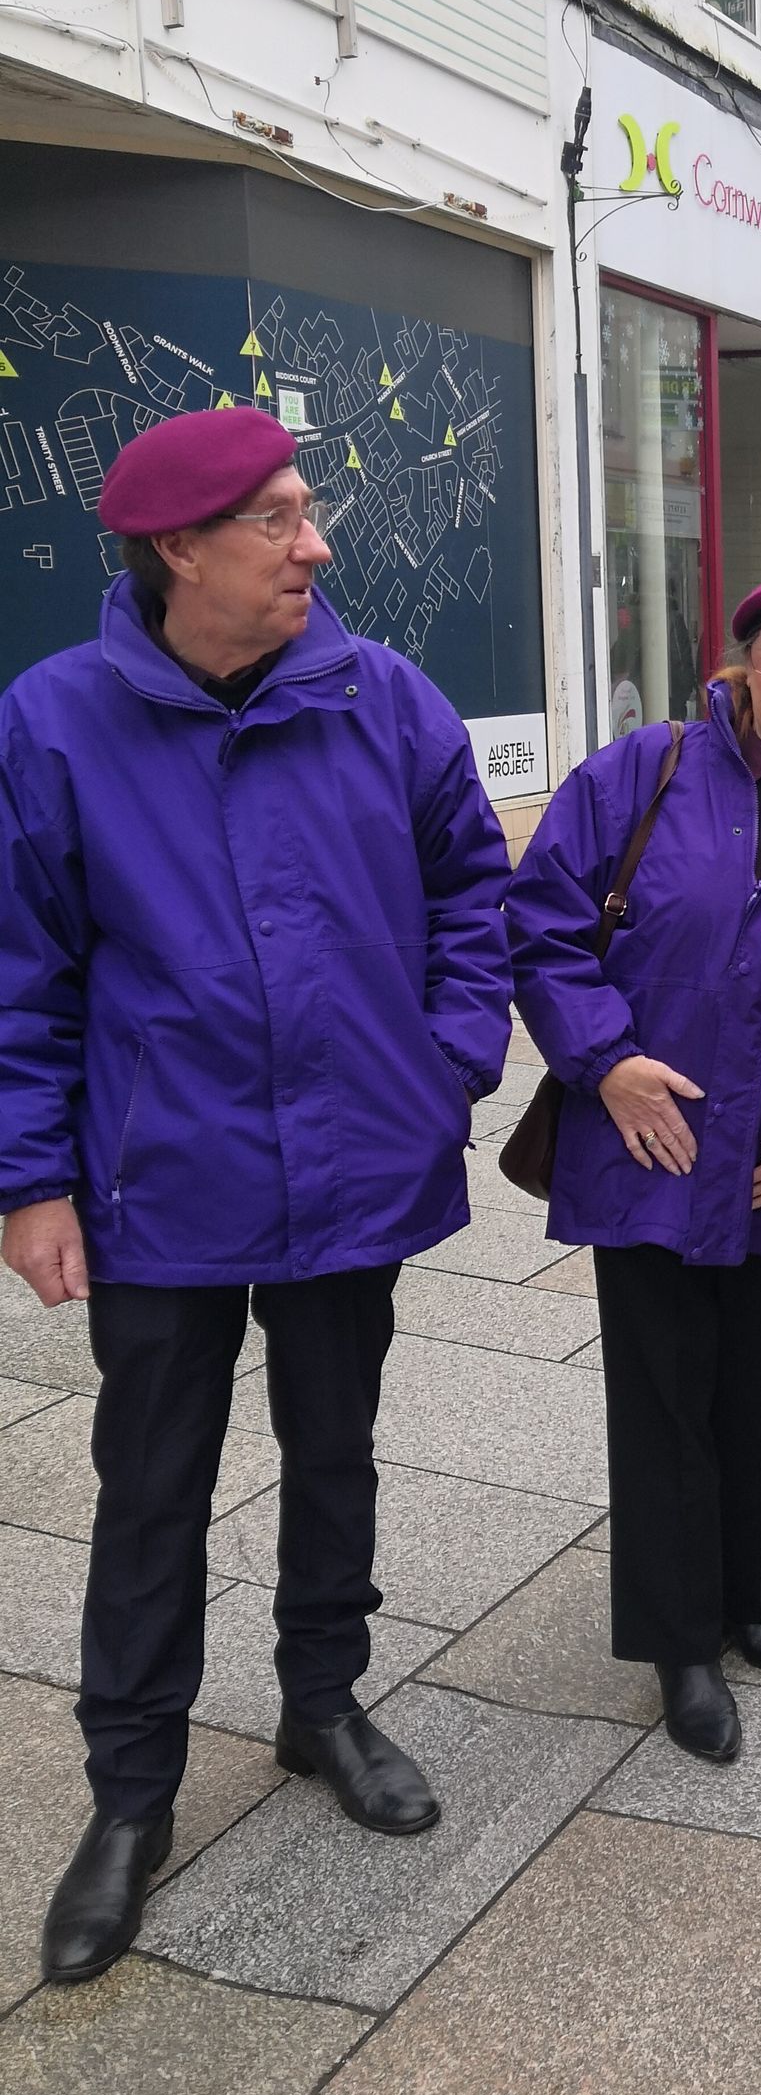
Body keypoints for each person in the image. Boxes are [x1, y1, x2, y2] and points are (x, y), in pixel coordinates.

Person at [0, 407, 513, 1985]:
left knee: (335, 1447)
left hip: (356, 1161)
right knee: (152, 1484)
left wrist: (445, 1062)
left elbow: (470, 886)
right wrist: (29, 1180)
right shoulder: (56, 722)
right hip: (160, 1176)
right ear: (180, 549)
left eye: (308, 509)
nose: (317, 544)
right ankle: (130, 1793)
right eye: (278, 519)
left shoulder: (384, 696)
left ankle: (322, 1703)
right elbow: (22, 972)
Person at [506, 565, 761, 1763]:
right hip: (652, 1141)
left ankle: (741, 1595)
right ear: (738, 662)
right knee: (665, 1393)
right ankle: (679, 1641)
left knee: (747, 1378)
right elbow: (539, 922)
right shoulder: (645, 770)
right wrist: (605, 1061)